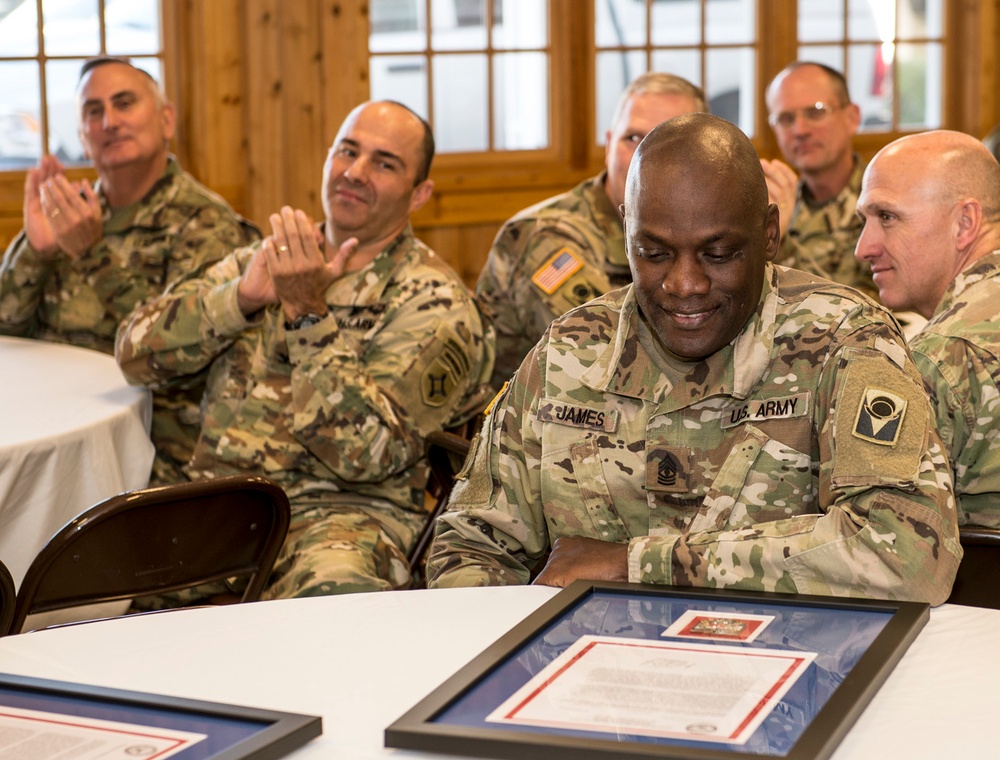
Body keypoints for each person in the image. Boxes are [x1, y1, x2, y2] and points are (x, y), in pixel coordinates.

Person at [427, 112, 960, 606]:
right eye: (654, 254)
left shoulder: (843, 344)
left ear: (769, 234)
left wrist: (636, 564)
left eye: (719, 254)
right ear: (626, 230)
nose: (685, 285)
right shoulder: (572, 349)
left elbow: (907, 554)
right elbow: (470, 543)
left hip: (783, 674)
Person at [116, 100, 494, 599]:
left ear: (418, 193)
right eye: (347, 152)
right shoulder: (268, 259)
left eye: (384, 163)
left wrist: (307, 313)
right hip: (215, 508)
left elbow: (365, 454)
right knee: (94, 587)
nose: (355, 173)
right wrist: (240, 300)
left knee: (338, 599)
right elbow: (132, 353)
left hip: (335, 518)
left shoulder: (433, 301)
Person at [0, 57, 259, 484]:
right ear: (83, 138)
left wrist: (93, 256)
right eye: (94, 112)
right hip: (47, 434)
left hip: (151, 451)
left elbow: (175, 353)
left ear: (166, 120)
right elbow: (6, 334)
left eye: (124, 103)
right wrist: (37, 251)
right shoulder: (69, 215)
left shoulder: (206, 224)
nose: (110, 121)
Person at [476, 72, 706, 388]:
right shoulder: (546, 236)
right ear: (609, 145)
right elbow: (611, 360)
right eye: (632, 139)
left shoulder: (702, 230)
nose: (645, 158)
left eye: (667, 143)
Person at [856, 130, 1000, 527]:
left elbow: (879, 537)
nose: (864, 247)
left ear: (965, 222)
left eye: (887, 217)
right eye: (864, 220)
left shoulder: (943, 357)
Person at [760, 61, 877, 302]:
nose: (800, 129)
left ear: (852, 117)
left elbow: (865, 307)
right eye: (785, 118)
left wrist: (779, 242)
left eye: (815, 112)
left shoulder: (882, 203)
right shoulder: (778, 203)